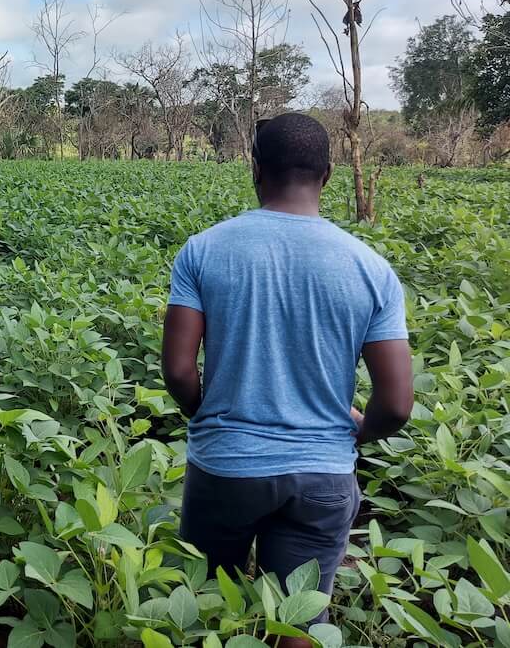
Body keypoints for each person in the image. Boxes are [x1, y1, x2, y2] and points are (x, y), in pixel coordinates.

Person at [161, 112, 413, 641]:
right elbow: (396, 405)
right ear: (328, 175)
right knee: (298, 620)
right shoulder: (370, 268)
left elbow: (180, 370)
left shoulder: (203, 250)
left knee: (208, 604)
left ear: (255, 169)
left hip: (225, 467)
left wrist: (204, 412)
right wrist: (354, 430)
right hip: (322, 474)